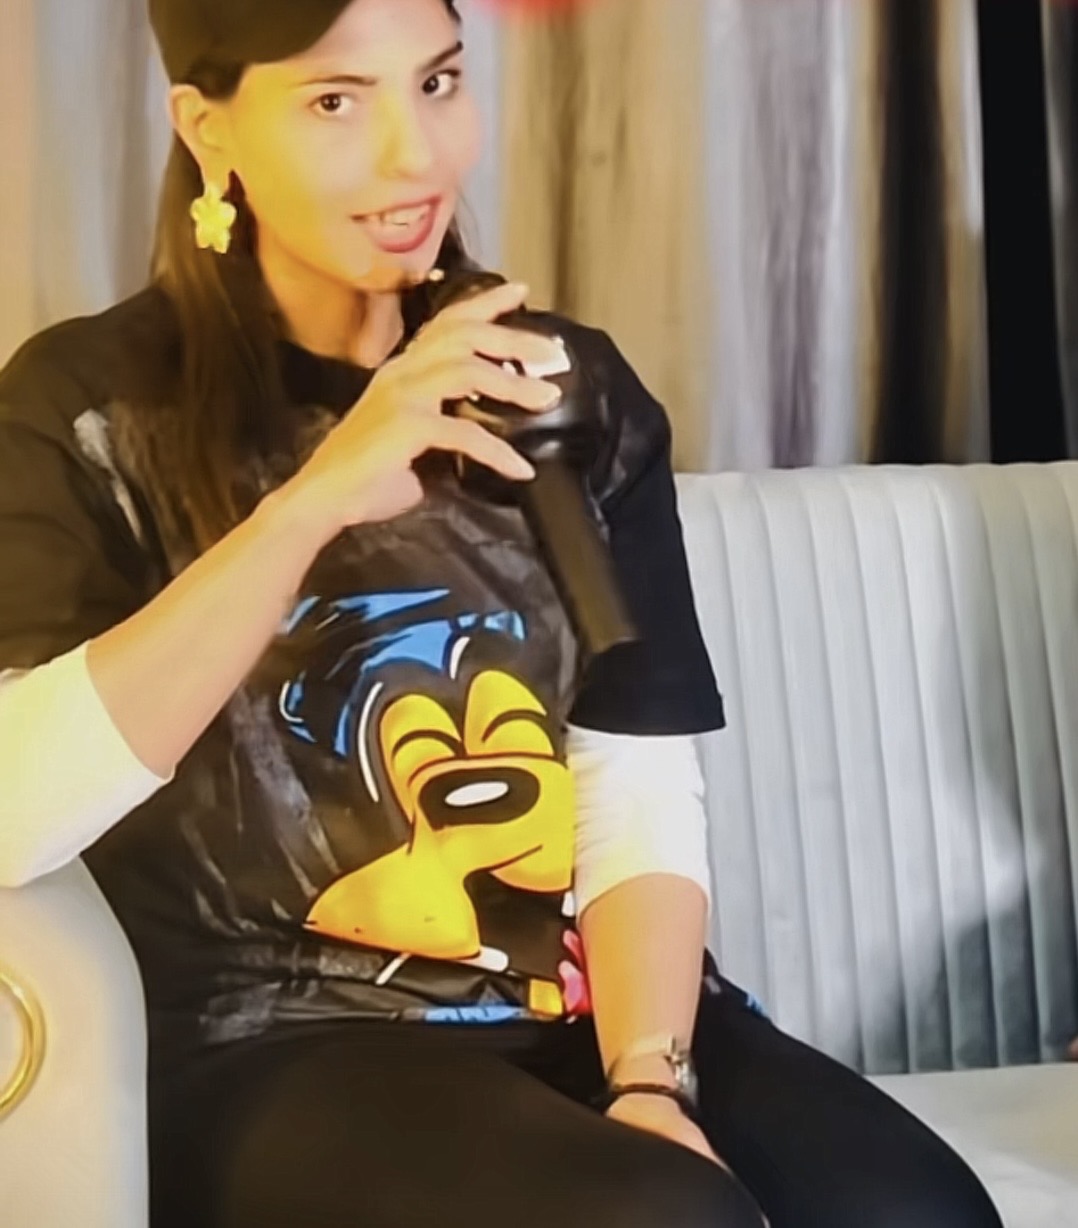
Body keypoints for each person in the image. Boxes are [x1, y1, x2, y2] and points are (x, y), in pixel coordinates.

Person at [0, 2, 1005, 1226]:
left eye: (436, 83)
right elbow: (14, 812)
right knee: (661, 1220)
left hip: (585, 1010)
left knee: (913, 1210)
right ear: (209, 131)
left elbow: (635, 781)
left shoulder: (566, 391)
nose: (413, 153)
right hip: (280, 1038)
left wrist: (648, 1076)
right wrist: (311, 503)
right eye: (336, 101)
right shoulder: (85, 407)